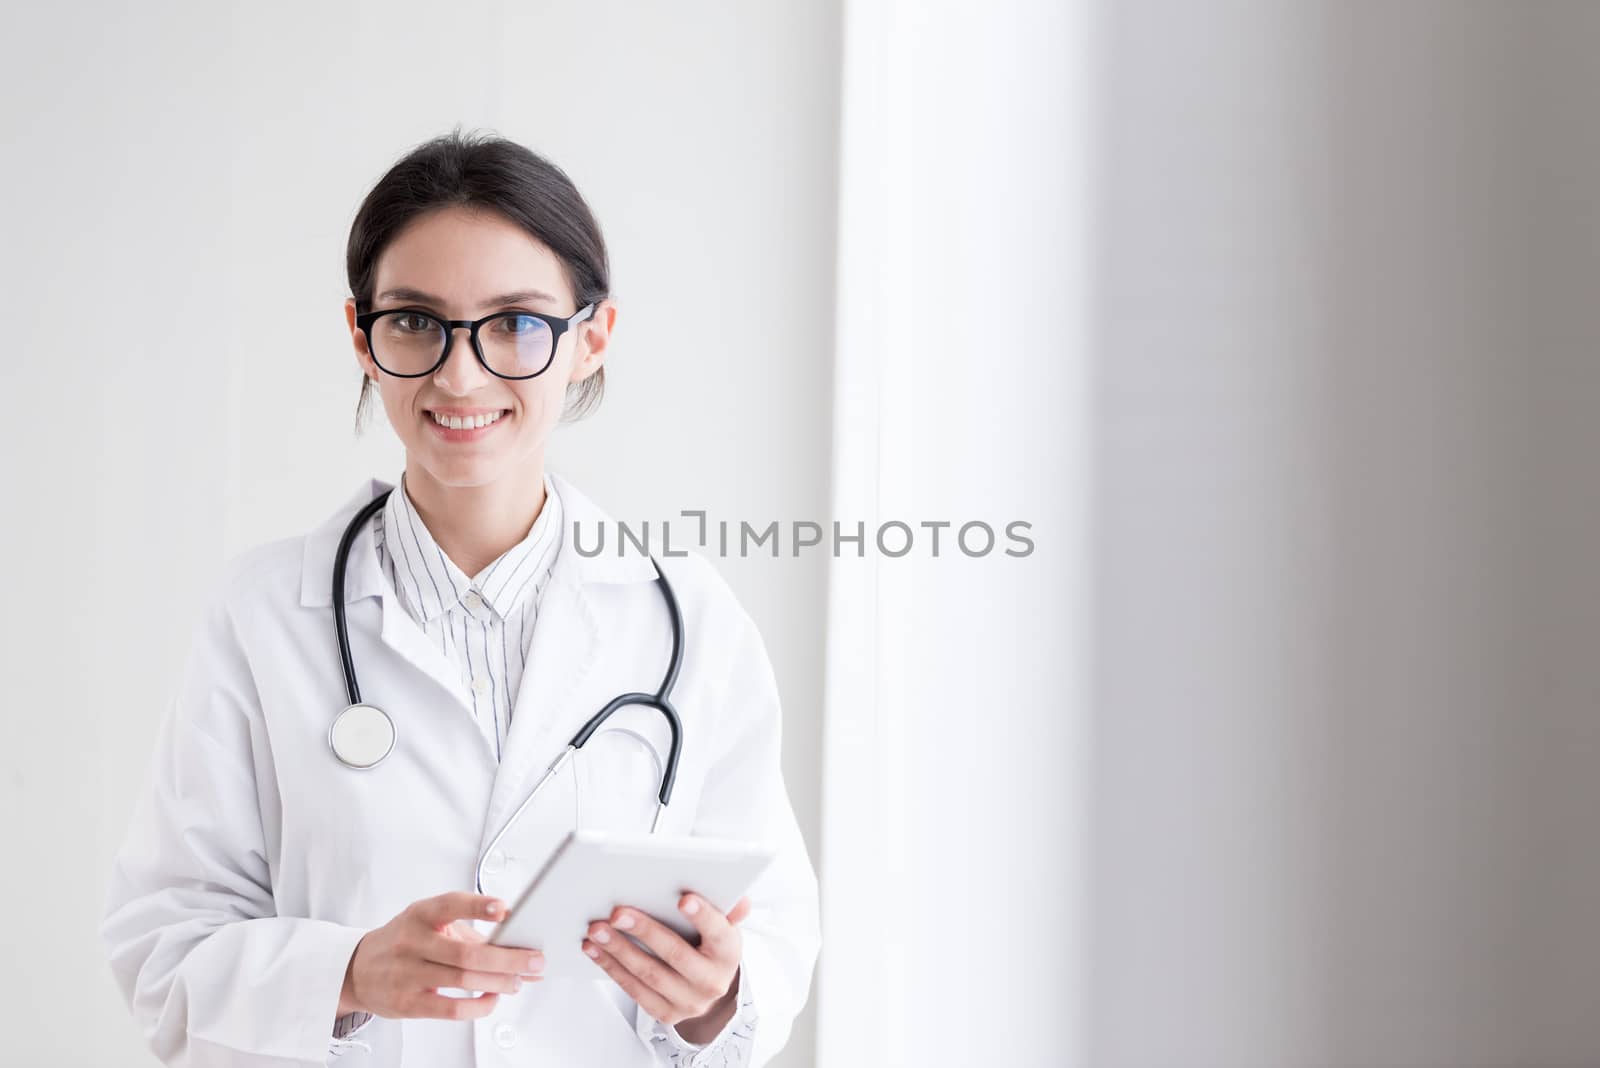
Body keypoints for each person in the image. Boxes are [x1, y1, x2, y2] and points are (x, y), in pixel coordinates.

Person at [99, 129, 820, 1067]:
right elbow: (162, 944)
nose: (460, 373)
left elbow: (773, 937)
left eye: (516, 323)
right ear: (362, 336)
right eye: (415, 321)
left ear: (591, 338)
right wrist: (349, 973)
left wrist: (714, 1000)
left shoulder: (689, 617)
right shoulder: (265, 614)